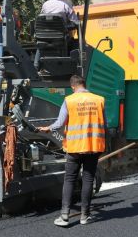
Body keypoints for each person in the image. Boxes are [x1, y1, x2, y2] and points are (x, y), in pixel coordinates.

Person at [37, 75, 106, 226]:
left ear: (73, 87)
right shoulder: (99, 100)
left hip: (74, 148)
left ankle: (64, 216)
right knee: (88, 180)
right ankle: (84, 216)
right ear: (84, 85)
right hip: (93, 147)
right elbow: (103, 124)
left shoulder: (69, 100)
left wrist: (47, 128)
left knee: (70, 180)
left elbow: (60, 123)